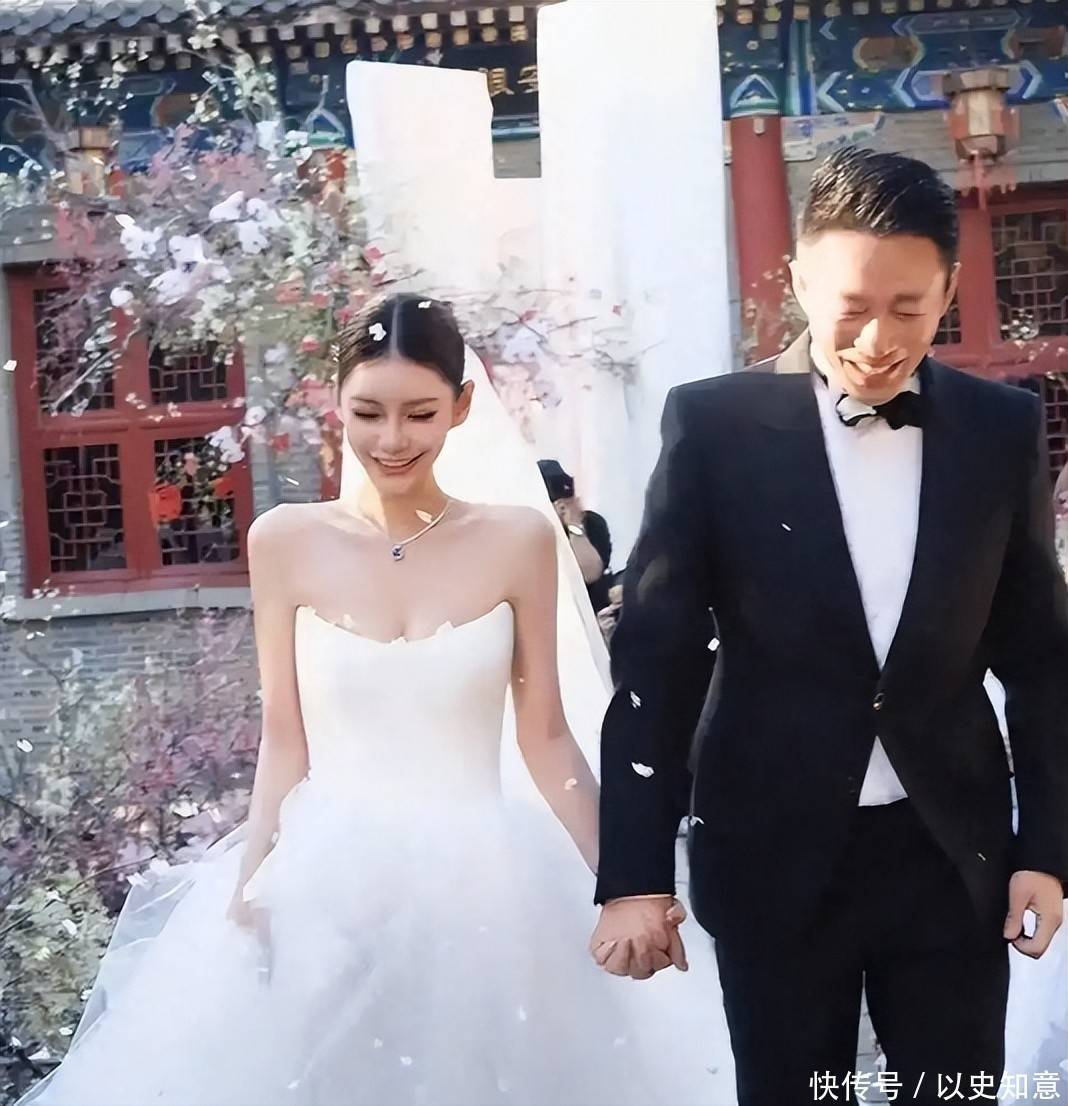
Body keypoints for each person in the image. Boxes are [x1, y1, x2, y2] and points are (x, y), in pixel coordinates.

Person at [18, 294, 735, 1106]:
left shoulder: (518, 539)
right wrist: (251, 883)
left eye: (419, 413)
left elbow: (545, 738)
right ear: (337, 402)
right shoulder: (284, 540)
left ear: (461, 406)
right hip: (328, 886)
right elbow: (284, 737)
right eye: (368, 413)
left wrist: (625, 880)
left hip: (489, 888)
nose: (392, 440)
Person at [591, 147, 1068, 1105]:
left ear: (949, 291)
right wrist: (634, 875)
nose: (879, 339)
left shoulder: (1000, 429)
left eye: (910, 308)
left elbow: (1043, 663)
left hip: (949, 855)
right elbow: (658, 660)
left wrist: (1048, 854)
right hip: (770, 850)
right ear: (802, 281)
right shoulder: (715, 427)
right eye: (852, 306)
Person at [537, 459, 615, 613]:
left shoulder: (592, 523)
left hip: (595, 608)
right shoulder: (534, 534)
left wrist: (574, 525)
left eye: (571, 501)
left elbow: (590, 573)